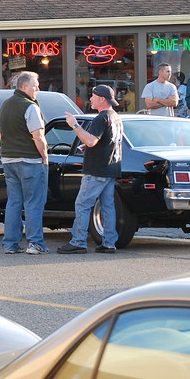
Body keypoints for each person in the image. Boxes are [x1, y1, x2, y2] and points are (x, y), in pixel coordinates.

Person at [58, 85, 124, 254]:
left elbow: (91, 141)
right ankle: (109, 242)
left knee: (82, 204)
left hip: (97, 169)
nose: (91, 99)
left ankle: (78, 241)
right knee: (107, 205)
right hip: (111, 168)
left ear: (102, 99)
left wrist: (74, 125)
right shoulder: (115, 117)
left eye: (93, 96)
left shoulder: (101, 118)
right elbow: (105, 142)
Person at [0, 71, 50, 255]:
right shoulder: (30, 107)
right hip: (30, 160)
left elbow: (1, 134)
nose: (38, 88)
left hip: (8, 160)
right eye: (35, 85)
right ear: (24, 86)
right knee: (33, 203)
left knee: (14, 203)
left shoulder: (4, 105)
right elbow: (38, 136)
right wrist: (45, 156)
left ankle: (10, 244)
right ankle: (35, 243)